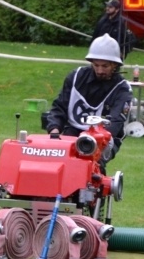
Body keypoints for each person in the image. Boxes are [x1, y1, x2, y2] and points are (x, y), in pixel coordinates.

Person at [45, 34, 133, 170]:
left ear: (114, 65)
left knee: (93, 167)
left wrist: (94, 141)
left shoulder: (122, 88)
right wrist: (54, 129)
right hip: (73, 131)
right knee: (59, 164)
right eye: (96, 65)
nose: (100, 71)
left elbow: (115, 122)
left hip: (105, 138)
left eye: (105, 66)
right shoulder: (75, 77)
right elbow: (59, 107)